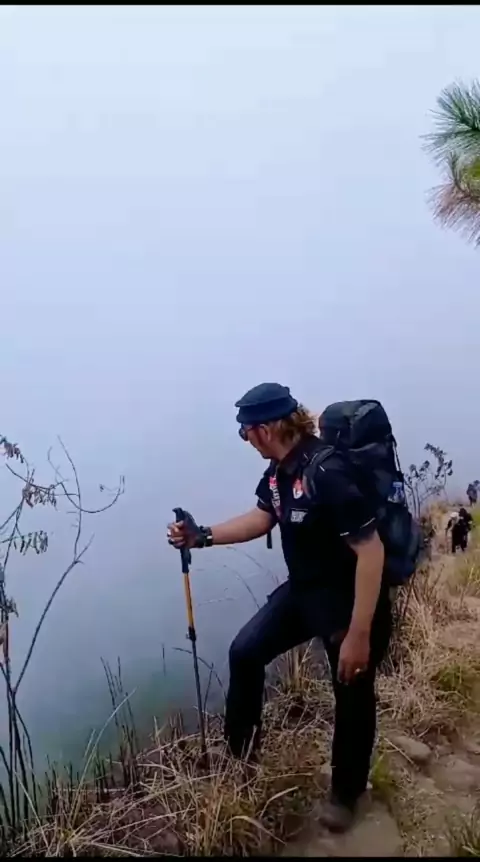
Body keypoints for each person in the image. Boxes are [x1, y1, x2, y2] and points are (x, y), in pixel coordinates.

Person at [167, 383, 391, 833]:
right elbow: (262, 516)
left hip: (350, 599)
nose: (246, 440)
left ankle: (346, 795)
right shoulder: (279, 473)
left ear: (265, 429)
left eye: (245, 432)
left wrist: (359, 634)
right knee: (245, 652)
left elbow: (371, 552)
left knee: (351, 694)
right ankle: (241, 760)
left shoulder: (326, 472)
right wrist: (201, 536)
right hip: (305, 592)